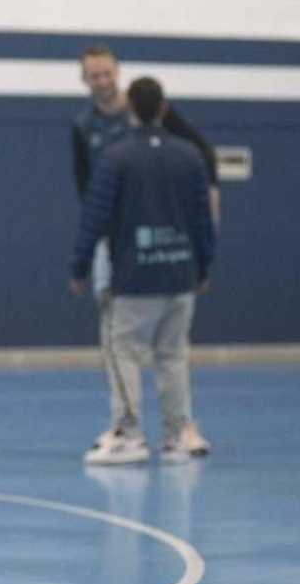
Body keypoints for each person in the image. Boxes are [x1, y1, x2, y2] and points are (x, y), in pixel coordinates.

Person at [72, 43, 217, 457]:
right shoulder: (84, 127)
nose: (102, 80)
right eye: (94, 75)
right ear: (85, 80)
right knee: (162, 346)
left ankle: (138, 430)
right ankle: (164, 430)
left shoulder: (141, 152)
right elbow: (87, 192)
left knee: (123, 343)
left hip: (147, 253)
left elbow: (203, 166)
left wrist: (78, 262)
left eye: (107, 73)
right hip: (136, 247)